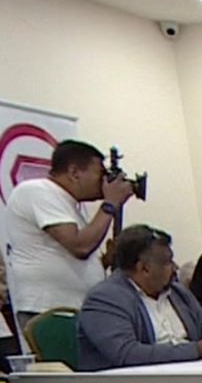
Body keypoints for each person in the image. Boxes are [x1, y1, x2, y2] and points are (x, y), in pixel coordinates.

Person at [3, 141, 133, 335]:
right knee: (61, 366)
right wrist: (110, 203)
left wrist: (104, 261)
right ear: (74, 173)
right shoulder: (37, 190)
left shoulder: (69, 205)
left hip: (74, 309)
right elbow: (80, 246)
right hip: (48, 311)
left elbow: (69, 255)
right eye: (100, 173)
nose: (104, 182)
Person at [77, 225, 202, 371]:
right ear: (144, 268)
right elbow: (126, 354)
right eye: (168, 262)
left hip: (191, 380)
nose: (175, 267)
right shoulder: (104, 298)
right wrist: (196, 350)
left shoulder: (179, 293)